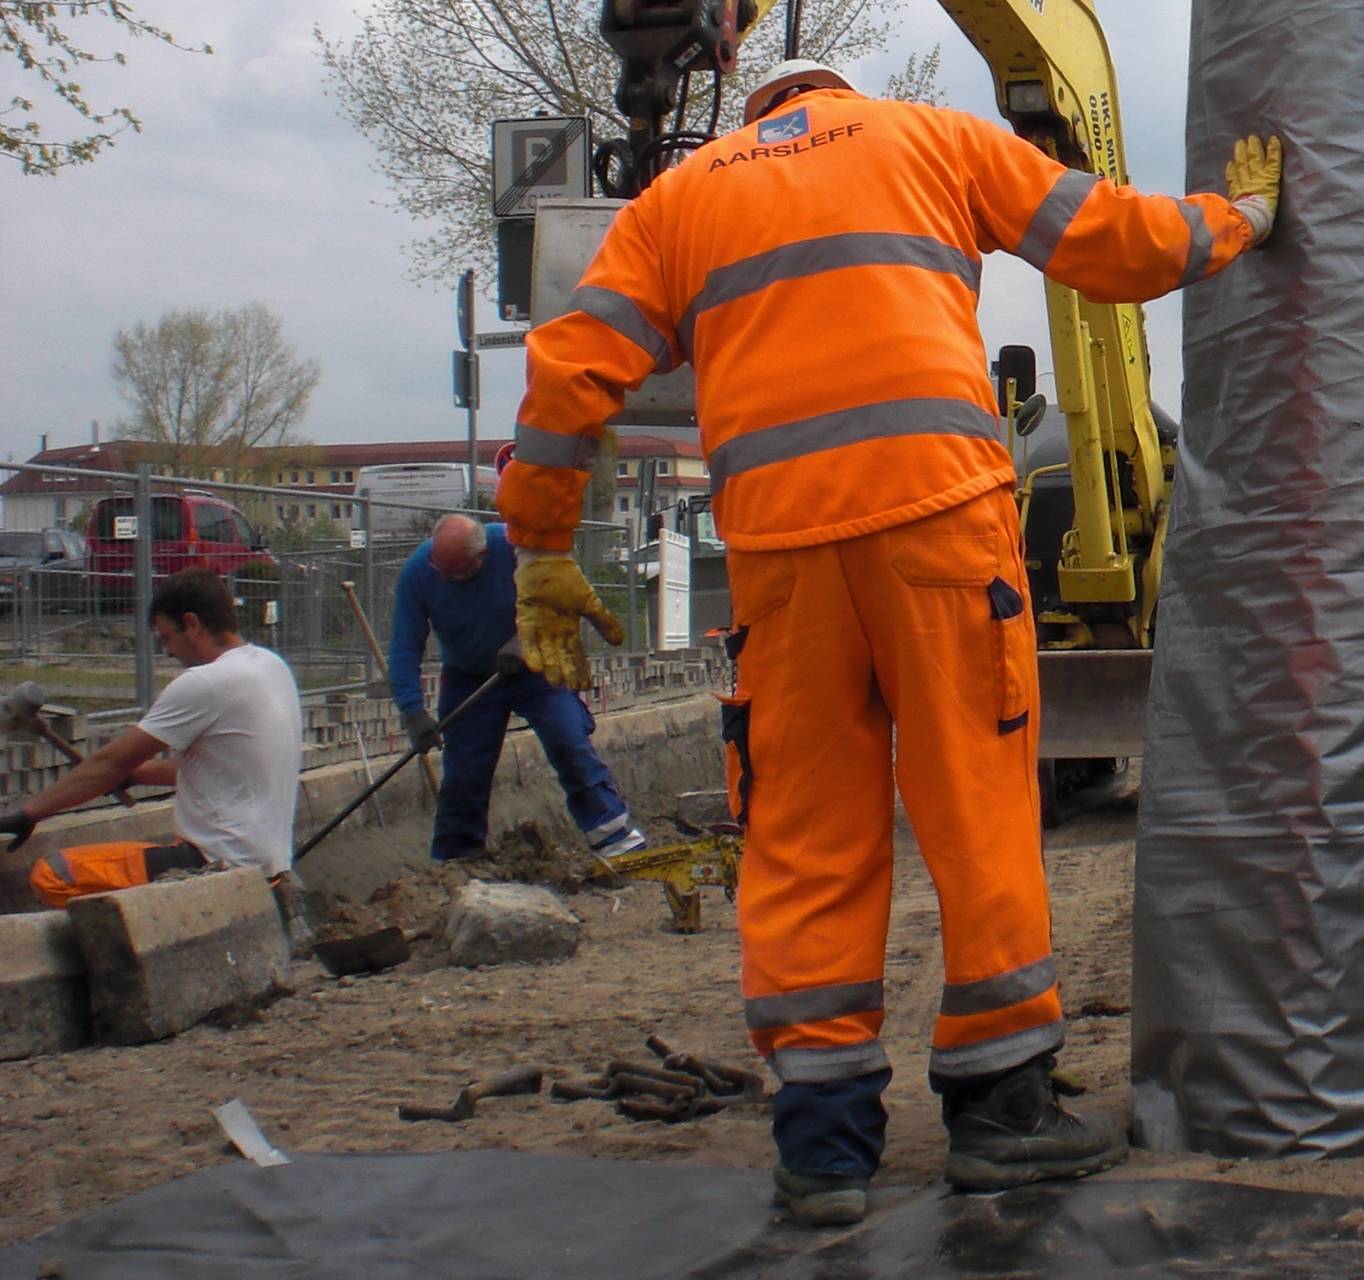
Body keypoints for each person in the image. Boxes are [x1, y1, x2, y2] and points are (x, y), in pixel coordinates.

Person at [495, 58, 1284, 1226]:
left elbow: (568, 371)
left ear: (759, 105)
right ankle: (1002, 1114)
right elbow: (1113, 239)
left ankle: (822, 1146)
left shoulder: (682, 198)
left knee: (805, 831)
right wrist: (1244, 218)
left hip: (781, 552)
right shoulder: (930, 139)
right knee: (975, 802)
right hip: (939, 528)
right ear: (838, 90)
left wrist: (543, 548)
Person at [7, 570, 303, 911]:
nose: (167, 651)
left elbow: (110, 762)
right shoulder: (271, 667)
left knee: (53, 874)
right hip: (268, 865)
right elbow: (207, 767)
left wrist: (29, 813)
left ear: (192, 624)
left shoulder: (207, 682)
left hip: (214, 864)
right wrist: (133, 776)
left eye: (166, 637)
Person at [389, 514, 645, 864]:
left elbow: (557, 600)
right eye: (442, 571)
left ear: (482, 555)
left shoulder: (514, 547)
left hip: (534, 669)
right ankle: (458, 857)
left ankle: (613, 835)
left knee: (568, 739)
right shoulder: (418, 573)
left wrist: (523, 642)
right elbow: (405, 645)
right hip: (468, 677)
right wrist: (413, 712)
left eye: (458, 572)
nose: (448, 579)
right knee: (465, 770)